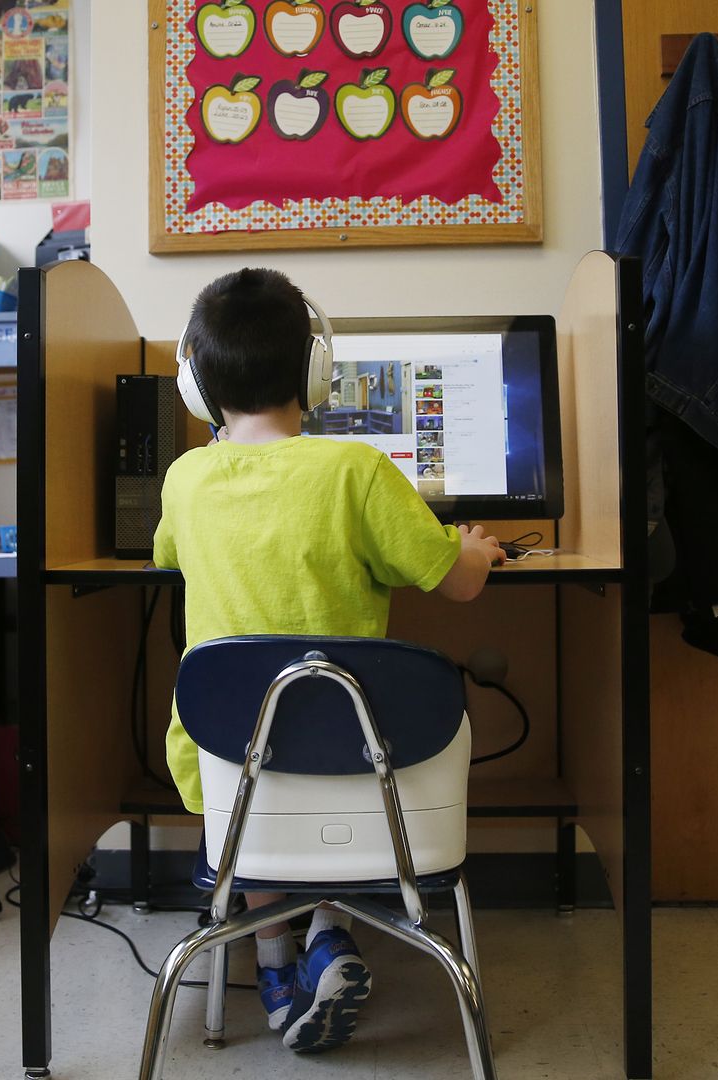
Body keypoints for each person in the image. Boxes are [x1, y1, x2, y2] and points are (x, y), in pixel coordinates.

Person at [153, 268, 502, 1055]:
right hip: (365, 769)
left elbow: (165, 553)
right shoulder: (358, 472)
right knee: (347, 748)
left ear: (196, 384)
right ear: (318, 371)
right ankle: (329, 931)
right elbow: (456, 583)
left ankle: (275, 969)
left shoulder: (185, 480)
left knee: (266, 764)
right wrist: (475, 548)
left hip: (230, 773)